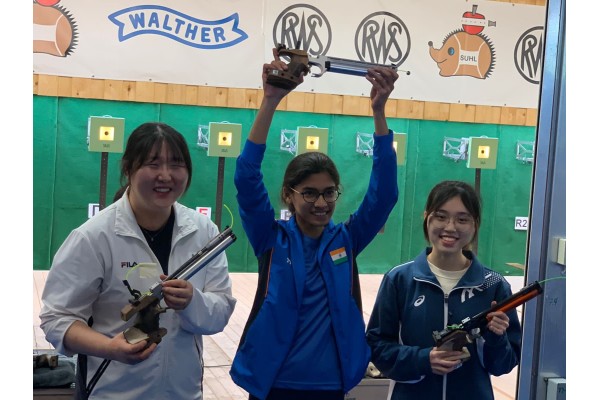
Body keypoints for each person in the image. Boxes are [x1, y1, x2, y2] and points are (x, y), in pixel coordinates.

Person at [229, 49, 400, 400]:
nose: (321, 203)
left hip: (330, 386)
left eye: (328, 192)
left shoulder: (346, 239)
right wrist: (270, 101)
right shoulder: (271, 239)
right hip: (273, 386)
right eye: (309, 193)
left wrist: (379, 111)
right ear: (289, 195)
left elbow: (384, 195)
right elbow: (246, 177)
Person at [39, 122, 236, 399]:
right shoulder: (94, 236)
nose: (165, 175)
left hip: (183, 392)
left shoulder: (204, 232)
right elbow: (56, 319)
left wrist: (193, 301)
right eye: (153, 164)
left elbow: (220, 313)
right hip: (112, 393)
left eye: (176, 164)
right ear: (128, 168)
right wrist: (109, 348)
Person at [365, 180, 521, 400]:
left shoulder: (493, 285)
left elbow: (503, 365)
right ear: (426, 218)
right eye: (441, 216)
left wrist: (497, 338)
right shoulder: (400, 279)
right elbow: (377, 347)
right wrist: (423, 360)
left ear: (475, 224)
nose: (450, 227)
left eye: (462, 219)